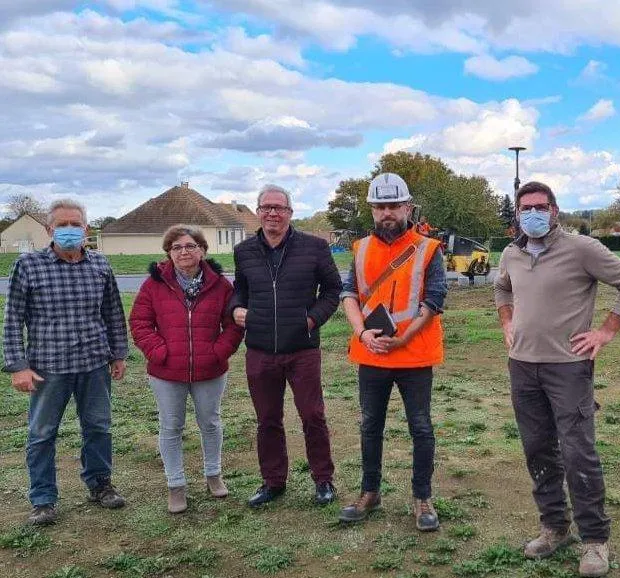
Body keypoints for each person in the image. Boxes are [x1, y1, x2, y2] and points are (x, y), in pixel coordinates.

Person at [493, 181, 620, 578]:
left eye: (540, 207)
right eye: (526, 208)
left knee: (578, 451)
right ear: (517, 213)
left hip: (568, 368)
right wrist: (507, 321)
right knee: (538, 449)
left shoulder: (581, 249)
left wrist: (605, 332)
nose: (533, 213)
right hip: (522, 366)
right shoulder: (511, 253)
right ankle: (554, 527)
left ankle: (594, 540)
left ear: (554, 210)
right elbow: (501, 288)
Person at [3, 199, 128, 526]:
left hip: (93, 363)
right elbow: (13, 319)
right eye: (62, 225)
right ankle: (43, 499)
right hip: (47, 367)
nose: (69, 230)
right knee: (42, 434)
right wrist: (18, 365)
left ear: (86, 229)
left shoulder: (100, 265)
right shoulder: (28, 265)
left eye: (75, 224)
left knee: (98, 427)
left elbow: (113, 313)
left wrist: (118, 353)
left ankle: (100, 484)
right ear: (49, 230)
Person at [337, 173, 447, 532]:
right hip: (372, 354)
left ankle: (422, 498)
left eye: (394, 205)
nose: (387, 212)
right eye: (380, 206)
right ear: (372, 209)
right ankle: (370, 493)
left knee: (421, 427)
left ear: (407, 207)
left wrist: (403, 339)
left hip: (414, 355)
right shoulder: (360, 249)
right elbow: (348, 295)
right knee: (370, 425)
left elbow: (434, 300)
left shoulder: (428, 248)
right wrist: (362, 332)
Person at [229, 185, 342, 508]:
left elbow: (333, 289)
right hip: (260, 350)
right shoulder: (244, 251)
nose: (272, 213)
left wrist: (312, 319)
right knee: (267, 419)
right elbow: (240, 290)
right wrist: (235, 308)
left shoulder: (314, 247)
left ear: (290, 213)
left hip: (302, 349)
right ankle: (273, 481)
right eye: (266, 207)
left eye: (279, 208)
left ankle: (323, 480)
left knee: (313, 416)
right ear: (258, 212)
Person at [129, 226, 244, 513]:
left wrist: (218, 353)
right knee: (171, 427)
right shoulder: (153, 285)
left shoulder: (220, 285)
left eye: (190, 246)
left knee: (210, 423)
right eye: (177, 247)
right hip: (166, 372)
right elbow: (140, 323)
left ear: (202, 250)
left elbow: (233, 325)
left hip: (210, 370)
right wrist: (159, 352)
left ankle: (213, 475)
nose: (184, 252)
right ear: (169, 253)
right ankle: (176, 485)